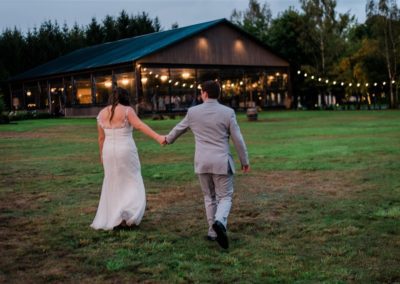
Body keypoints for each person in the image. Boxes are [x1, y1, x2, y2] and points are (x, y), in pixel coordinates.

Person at [164, 80, 250, 249]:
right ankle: (219, 222)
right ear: (219, 94)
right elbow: (238, 139)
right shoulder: (228, 112)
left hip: (202, 162)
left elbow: (178, 129)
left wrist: (167, 139)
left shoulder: (193, 112)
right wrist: (244, 160)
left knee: (209, 197)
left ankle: (212, 232)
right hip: (221, 161)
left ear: (204, 93)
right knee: (225, 196)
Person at [91, 87, 165, 230]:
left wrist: (101, 156)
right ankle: (128, 214)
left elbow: (101, 138)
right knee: (132, 179)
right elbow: (139, 125)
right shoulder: (127, 110)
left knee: (113, 182)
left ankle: (116, 217)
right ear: (125, 97)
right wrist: (158, 137)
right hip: (125, 150)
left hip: (108, 152)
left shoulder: (101, 114)